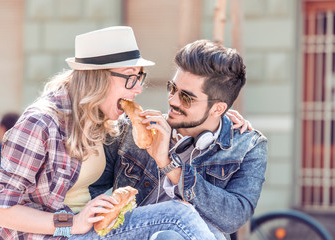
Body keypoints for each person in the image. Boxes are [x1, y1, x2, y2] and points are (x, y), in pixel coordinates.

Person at [0, 26, 223, 240]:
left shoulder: (101, 118)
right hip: (56, 235)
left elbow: (176, 125)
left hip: (96, 229)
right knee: (178, 215)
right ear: (97, 78)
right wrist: (71, 223)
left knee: (197, 232)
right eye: (130, 78)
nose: (138, 88)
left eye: (140, 77)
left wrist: (218, 115)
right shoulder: (41, 123)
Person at [90, 40, 268, 239]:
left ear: (218, 109)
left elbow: (233, 217)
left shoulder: (247, 147)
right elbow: (91, 189)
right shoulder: (131, 131)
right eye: (172, 88)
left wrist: (168, 165)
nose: (172, 100)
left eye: (186, 97)